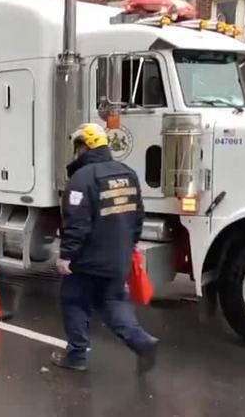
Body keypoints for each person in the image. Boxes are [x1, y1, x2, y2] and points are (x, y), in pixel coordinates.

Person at [51, 123, 159, 374]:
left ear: (84, 146)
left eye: (77, 147)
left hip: (88, 260)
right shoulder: (127, 173)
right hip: (118, 258)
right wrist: (131, 244)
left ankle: (77, 355)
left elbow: (77, 223)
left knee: (74, 301)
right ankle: (142, 342)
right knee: (113, 302)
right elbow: (138, 214)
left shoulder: (82, 178)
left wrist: (66, 256)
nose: (76, 152)